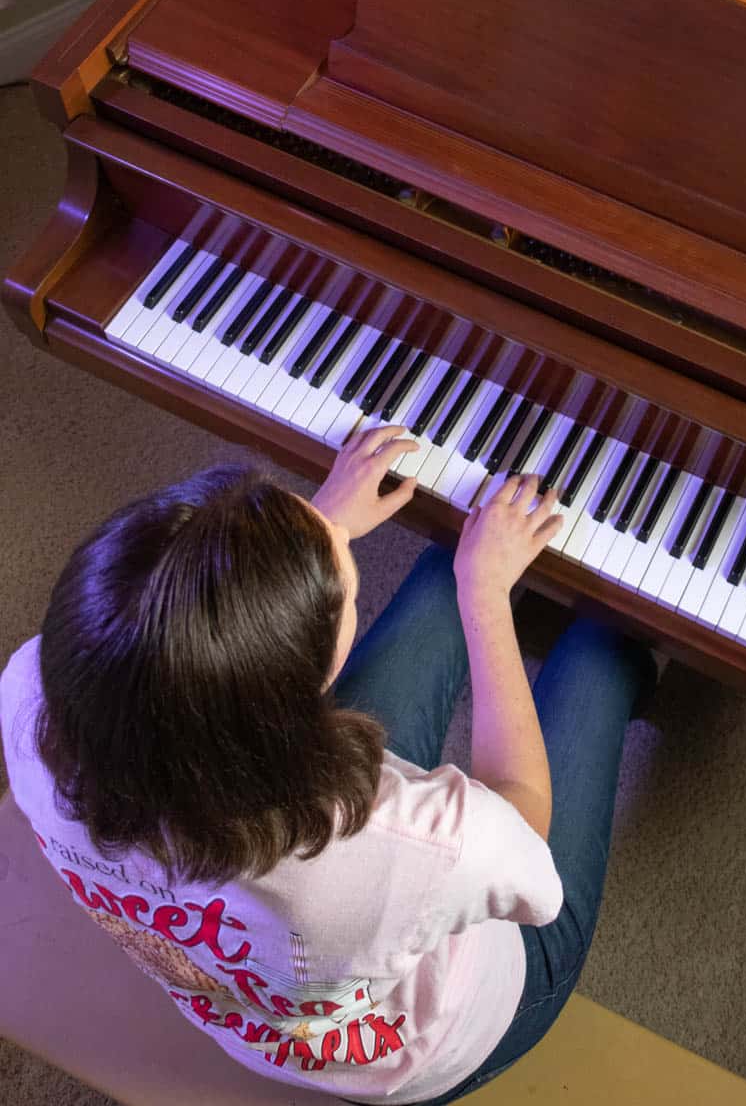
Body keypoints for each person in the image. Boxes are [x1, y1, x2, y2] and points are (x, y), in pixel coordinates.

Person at [0, 424, 656, 1103]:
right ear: (300, 695)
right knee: (600, 649)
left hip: (252, 1011)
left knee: (456, 549)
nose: (337, 547)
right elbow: (523, 833)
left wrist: (310, 528)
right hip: (449, 1030)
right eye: (340, 582)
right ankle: (623, 655)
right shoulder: (401, 841)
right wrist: (486, 599)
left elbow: (167, 634)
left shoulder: (33, 696)